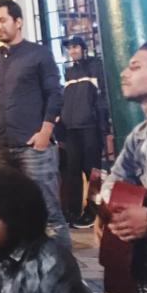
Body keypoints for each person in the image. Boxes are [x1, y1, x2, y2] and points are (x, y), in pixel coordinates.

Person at [0, 0, 71, 249]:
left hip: (35, 149)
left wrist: (45, 132)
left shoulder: (38, 54)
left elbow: (54, 93)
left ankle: (64, 275)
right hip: (4, 149)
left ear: (18, 22)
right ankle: (23, 272)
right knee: (10, 214)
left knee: (49, 215)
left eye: (2, 20)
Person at [96, 41, 147, 293]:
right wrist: (105, 214)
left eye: (135, 66)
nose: (123, 72)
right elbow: (114, 184)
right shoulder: (139, 137)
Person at [59, 35, 110, 228]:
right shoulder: (69, 72)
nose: (72, 51)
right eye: (69, 48)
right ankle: (72, 212)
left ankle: (94, 212)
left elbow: (102, 97)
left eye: (75, 47)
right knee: (72, 171)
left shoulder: (95, 66)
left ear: (83, 48)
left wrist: (104, 126)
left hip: (90, 127)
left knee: (92, 171)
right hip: (71, 129)